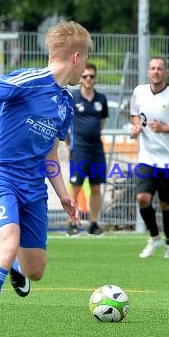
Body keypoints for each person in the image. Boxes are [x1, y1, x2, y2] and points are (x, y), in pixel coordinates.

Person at [0, 21, 91, 337]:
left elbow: (50, 155)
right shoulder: (30, 80)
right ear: (76, 58)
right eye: (86, 60)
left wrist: (65, 196)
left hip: (34, 189)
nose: (86, 66)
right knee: (5, 246)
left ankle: (14, 263)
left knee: (36, 270)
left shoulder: (65, 103)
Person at [130, 56, 169, 259]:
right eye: (152, 68)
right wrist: (137, 126)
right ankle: (154, 237)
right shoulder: (139, 92)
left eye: (160, 68)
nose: (156, 71)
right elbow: (134, 114)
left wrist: (164, 128)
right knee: (142, 198)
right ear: (148, 72)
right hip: (147, 158)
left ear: (165, 72)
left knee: (166, 204)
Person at [66, 62, 108, 236]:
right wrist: (69, 145)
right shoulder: (73, 98)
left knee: (96, 187)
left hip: (96, 150)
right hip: (79, 149)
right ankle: (72, 223)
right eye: (85, 76)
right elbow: (66, 124)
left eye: (91, 76)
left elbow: (102, 123)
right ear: (81, 78)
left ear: (95, 78)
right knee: (76, 187)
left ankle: (93, 223)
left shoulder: (101, 99)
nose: (88, 79)